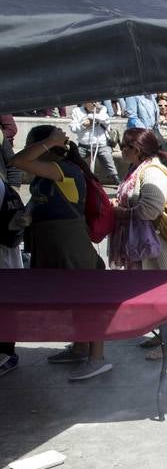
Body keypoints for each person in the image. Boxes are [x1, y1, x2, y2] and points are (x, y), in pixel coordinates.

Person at [12, 126, 111, 380]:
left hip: (69, 243)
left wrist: (50, 141)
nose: (27, 149)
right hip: (50, 242)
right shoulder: (45, 175)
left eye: (32, 144)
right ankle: (79, 347)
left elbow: (17, 160)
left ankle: (97, 358)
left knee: (88, 300)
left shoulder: (64, 169)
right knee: (71, 300)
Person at [109, 127, 167, 359]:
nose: (121, 150)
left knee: (164, 292)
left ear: (136, 149)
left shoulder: (152, 173)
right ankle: (164, 334)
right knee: (153, 291)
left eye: (124, 146)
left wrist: (120, 211)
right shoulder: (139, 169)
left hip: (157, 245)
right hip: (146, 243)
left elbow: (149, 210)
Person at [68, 101, 117, 185]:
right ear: (85, 103)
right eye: (91, 102)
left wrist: (96, 113)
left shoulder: (102, 109)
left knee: (107, 158)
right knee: (74, 160)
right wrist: (83, 125)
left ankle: (115, 179)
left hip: (101, 144)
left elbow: (106, 121)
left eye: (96, 101)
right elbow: (73, 128)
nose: (94, 104)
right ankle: (75, 178)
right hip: (84, 144)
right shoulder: (77, 111)